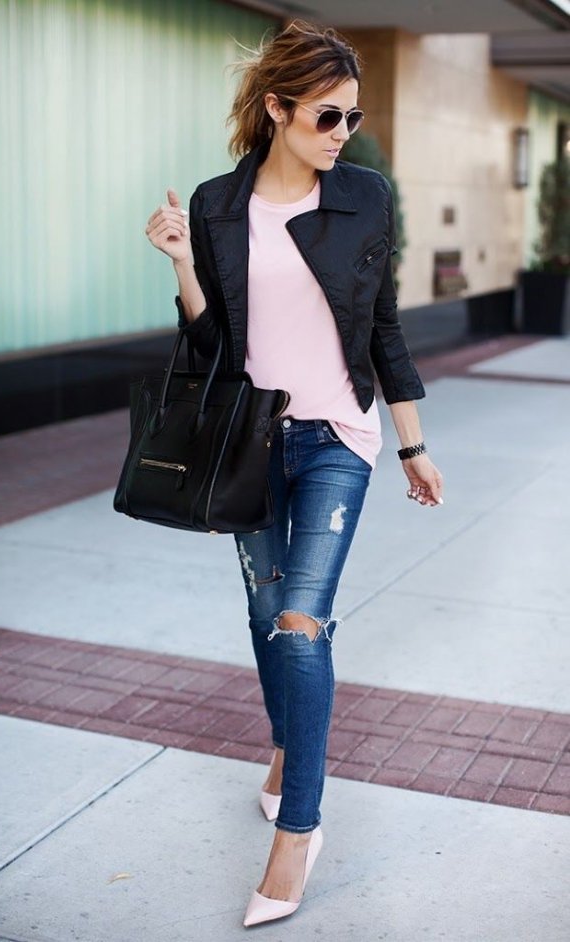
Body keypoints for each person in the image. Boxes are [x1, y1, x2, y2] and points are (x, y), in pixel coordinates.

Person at [145, 19, 444, 928]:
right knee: (262, 612)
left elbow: (382, 325)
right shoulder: (215, 203)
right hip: (249, 441)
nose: (340, 134)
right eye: (325, 116)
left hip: (337, 441)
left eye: (351, 118)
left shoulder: (364, 197)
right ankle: (283, 748)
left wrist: (412, 442)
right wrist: (184, 265)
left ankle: (298, 833)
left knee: (302, 623)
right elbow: (211, 346)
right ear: (276, 109)